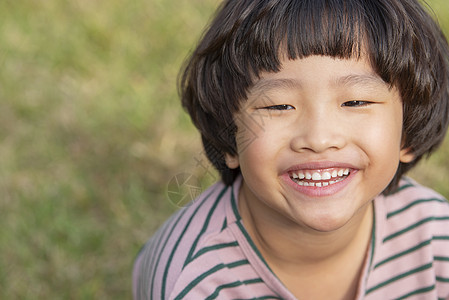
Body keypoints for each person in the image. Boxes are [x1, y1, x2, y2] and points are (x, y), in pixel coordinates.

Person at [133, 0, 449, 299]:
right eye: (279, 105)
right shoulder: (195, 282)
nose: (319, 138)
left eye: (355, 102)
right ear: (229, 137)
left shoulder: (435, 240)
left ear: (407, 130)